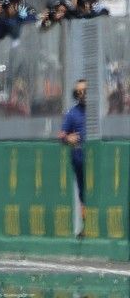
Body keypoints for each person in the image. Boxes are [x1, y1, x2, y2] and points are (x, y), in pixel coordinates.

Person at [58, 79, 87, 237]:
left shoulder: (97, 111)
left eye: (85, 91)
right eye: (79, 92)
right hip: (79, 160)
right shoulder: (72, 113)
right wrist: (68, 138)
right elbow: (62, 135)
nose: (82, 94)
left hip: (98, 161)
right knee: (83, 194)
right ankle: (86, 226)